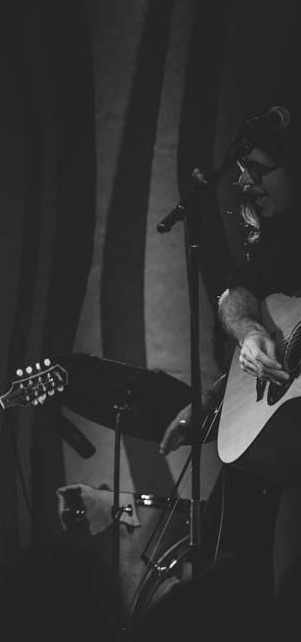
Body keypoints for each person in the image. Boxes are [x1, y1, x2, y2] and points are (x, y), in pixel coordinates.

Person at [159, 117, 301, 604]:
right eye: (242, 171)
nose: (244, 183)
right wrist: (252, 334)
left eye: (259, 171)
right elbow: (236, 295)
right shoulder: (283, 238)